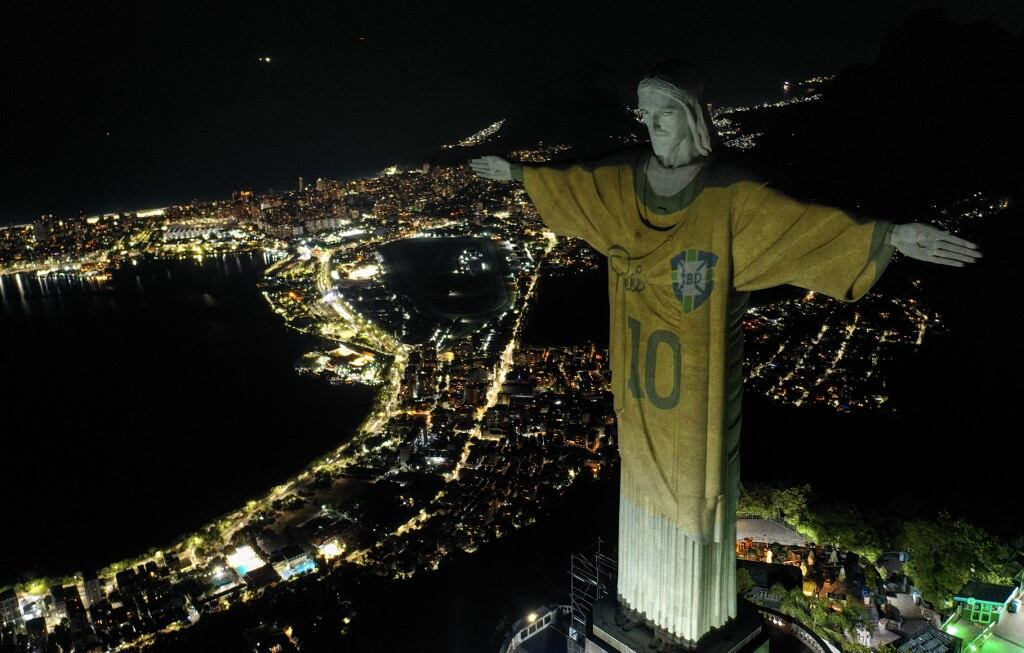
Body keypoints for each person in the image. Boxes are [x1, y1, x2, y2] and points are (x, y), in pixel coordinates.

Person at [470, 59, 980, 650]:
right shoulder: (622, 183)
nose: (654, 125)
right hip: (639, 374)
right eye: (646, 115)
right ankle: (648, 607)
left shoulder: (729, 195)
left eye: (665, 114)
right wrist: (515, 173)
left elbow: (801, 228)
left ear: (691, 118)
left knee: (699, 480)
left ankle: (690, 617)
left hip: (696, 374)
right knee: (637, 466)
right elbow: (572, 185)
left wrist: (890, 237)